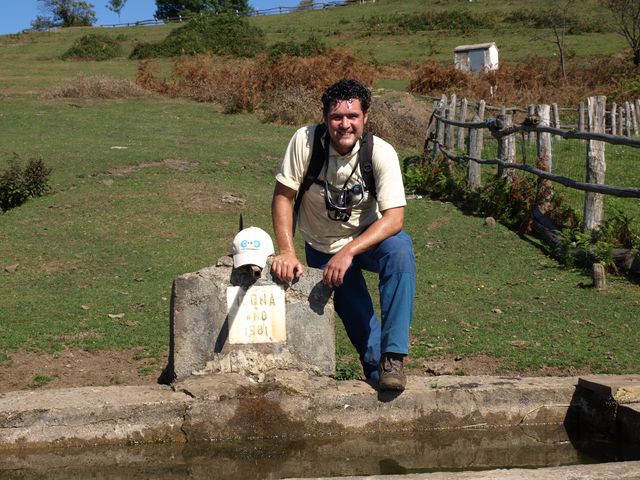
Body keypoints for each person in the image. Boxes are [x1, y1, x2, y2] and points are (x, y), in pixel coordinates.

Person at [270, 79, 415, 391]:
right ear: (325, 119)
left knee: (400, 251)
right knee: (360, 325)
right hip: (321, 246)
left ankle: (394, 357)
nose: (344, 124)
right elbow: (283, 197)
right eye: (337, 117)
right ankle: (378, 371)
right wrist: (286, 250)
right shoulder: (305, 142)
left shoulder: (381, 152)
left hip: (368, 239)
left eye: (353, 117)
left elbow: (394, 219)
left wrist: (348, 252)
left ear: (365, 118)